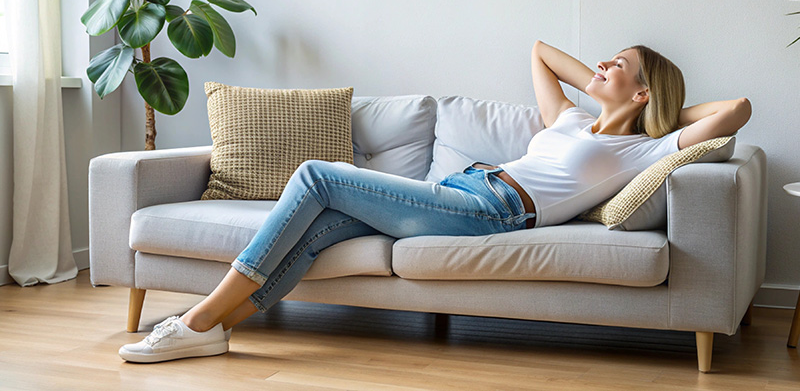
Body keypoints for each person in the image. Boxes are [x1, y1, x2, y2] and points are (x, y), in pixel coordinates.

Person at [119, 41, 752, 363]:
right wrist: (604, 81)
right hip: (460, 190)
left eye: (618, 65)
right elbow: (538, 51)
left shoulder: (646, 150)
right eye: (605, 59)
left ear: (643, 94)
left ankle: (196, 322)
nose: (601, 66)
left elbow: (736, 111)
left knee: (315, 176)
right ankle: (214, 330)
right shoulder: (568, 123)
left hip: (495, 211)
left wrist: (659, 117)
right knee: (322, 225)